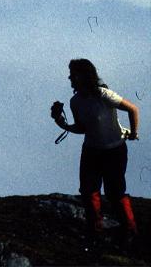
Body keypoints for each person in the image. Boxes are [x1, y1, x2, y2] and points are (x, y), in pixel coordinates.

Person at [51, 59, 140, 240]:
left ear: (83, 75)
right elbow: (83, 128)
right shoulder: (75, 101)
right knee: (89, 190)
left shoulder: (104, 95)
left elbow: (132, 109)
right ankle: (95, 230)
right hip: (92, 151)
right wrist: (62, 123)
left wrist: (133, 133)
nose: (70, 78)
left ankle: (130, 231)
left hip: (114, 151)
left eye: (73, 74)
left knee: (114, 192)